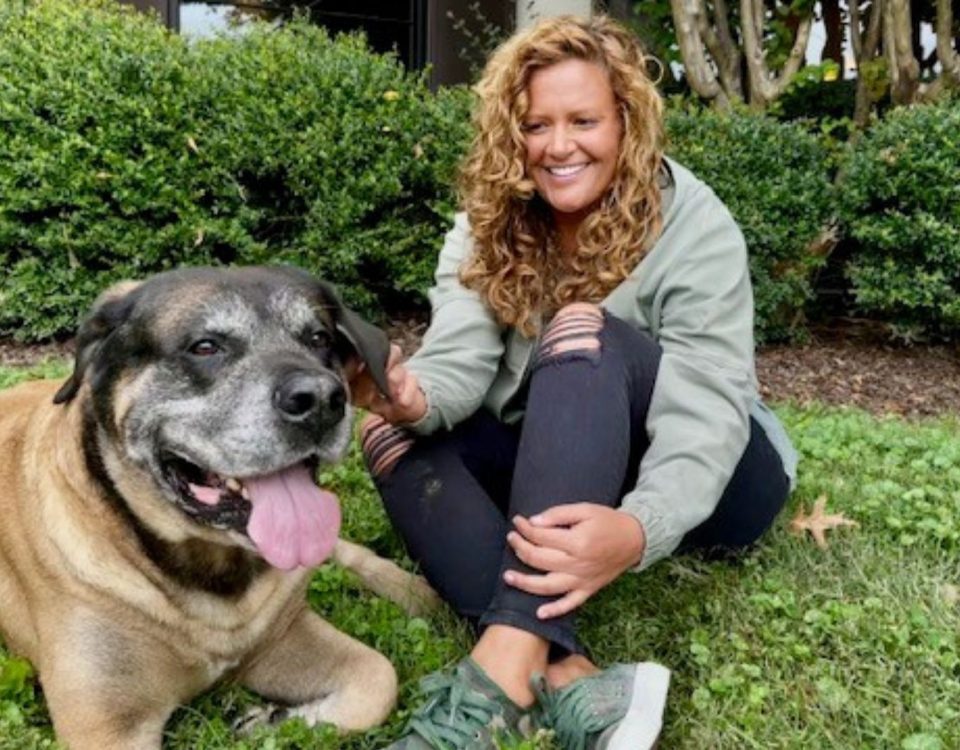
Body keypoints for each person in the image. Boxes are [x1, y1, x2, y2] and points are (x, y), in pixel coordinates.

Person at [350, 14, 797, 750]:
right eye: (536, 125)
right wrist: (412, 396)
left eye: (583, 120)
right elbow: (458, 361)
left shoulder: (693, 225)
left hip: (717, 479)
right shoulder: (487, 225)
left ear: (626, 121)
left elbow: (711, 406)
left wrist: (638, 528)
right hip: (560, 462)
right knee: (391, 439)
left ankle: (492, 686)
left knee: (580, 328)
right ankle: (565, 671)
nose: (559, 146)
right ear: (510, 134)